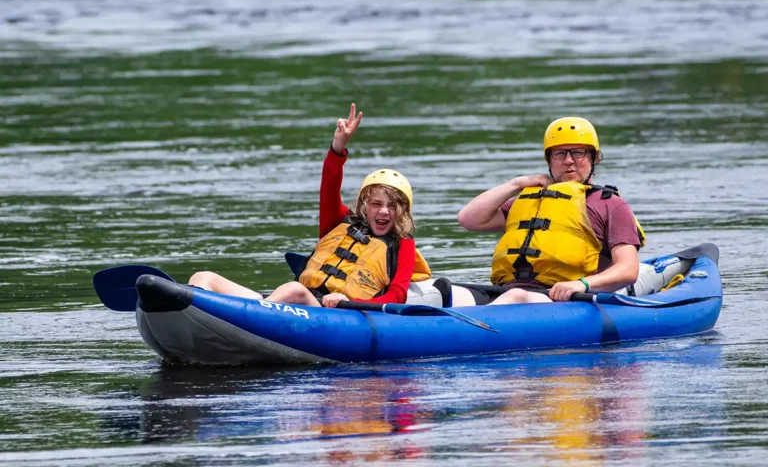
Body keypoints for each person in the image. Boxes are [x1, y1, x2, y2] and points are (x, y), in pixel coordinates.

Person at [188, 104, 433, 308]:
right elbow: (328, 187)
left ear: (401, 211)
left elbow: (397, 297)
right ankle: (193, 320)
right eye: (377, 204)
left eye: (392, 206)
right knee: (203, 277)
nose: (383, 211)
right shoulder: (339, 223)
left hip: (336, 312)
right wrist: (338, 148)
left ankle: (245, 321)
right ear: (364, 206)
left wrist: (348, 300)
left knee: (294, 290)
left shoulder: (403, 244)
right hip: (288, 303)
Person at [456, 117, 644, 305]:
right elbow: (468, 219)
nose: (569, 161)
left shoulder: (610, 204)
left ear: (594, 158)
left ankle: (476, 328)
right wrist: (518, 183)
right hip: (503, 291)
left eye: (578, 153)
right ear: (549, 160)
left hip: (561, 297)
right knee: (442, 290)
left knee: (517, 297)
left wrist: (581, 284)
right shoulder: (529, 202)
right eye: (559, 154)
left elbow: (628, 269)